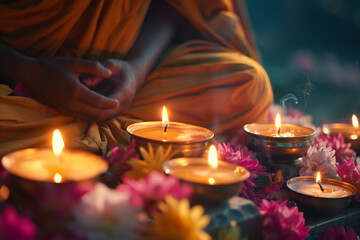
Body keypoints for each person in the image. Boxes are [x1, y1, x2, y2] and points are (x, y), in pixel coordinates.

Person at [0, 0, 273, 156]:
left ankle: (87, 144)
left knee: (247, 84)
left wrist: (137, 67)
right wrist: (26, 71)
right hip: (16, 85)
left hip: (130, 86)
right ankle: (134, 146)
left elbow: (175, 5)